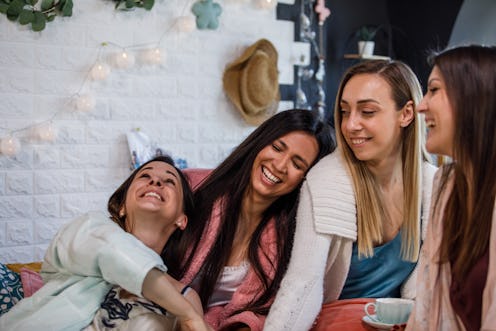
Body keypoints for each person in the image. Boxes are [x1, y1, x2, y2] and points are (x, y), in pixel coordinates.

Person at [264, 60, 437, 330]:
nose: (350, 125)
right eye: (344, 112)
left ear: (406, 114)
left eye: (367, 111)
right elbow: (302, 285)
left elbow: (427, 287)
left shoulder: (433, 184)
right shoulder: (326, 180)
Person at [0, 156, 212, 331]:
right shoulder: (88, 229)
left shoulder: (186, 295)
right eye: (145, 175)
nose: (155, 182)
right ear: (121, 207)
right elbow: (111, 250)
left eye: (169, 181)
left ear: (181, 219)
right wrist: (186, 313)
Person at [176, 109, 335, 331]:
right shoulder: (192, 187)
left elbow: (266, 313)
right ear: (260, 142)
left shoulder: (291, 241)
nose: (279, 165)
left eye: (297, 164)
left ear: (306, 179)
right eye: (277, 148)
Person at [406, 45, 496, 331]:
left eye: (433, 90)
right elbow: (427, 306)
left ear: (474, 98)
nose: (421, 105)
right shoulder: (447, 186)